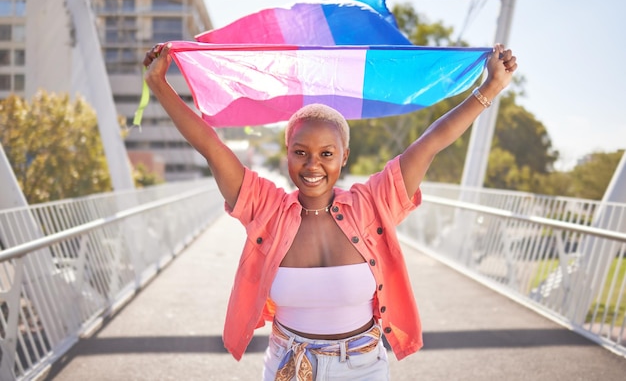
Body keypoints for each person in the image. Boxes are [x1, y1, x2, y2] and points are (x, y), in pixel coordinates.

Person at [143, 42, 517, 380]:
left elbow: (432, 141)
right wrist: (159, 84)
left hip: (363, 368)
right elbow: (210, 145)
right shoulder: (266, 208)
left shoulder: (373, 203)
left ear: (343, 157)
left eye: (326, 154)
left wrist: (491, 88)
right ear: (286, 152)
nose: (312, 166)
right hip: (289, 366)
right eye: (300, 152)